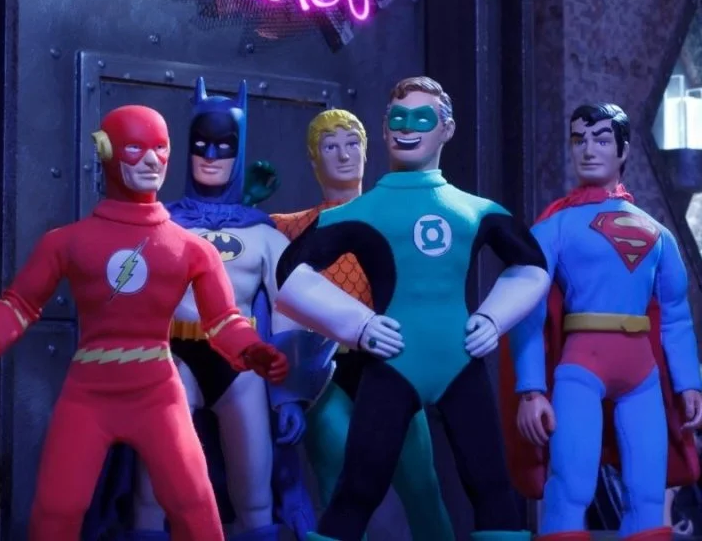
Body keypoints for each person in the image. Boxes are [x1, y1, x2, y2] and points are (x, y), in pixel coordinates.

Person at [0, 105, 289, 541]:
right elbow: (20, 303)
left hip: (158, 392)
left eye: (160, 148)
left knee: (194, 505)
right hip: (88, 395)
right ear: (106, 151)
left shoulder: (192, 249)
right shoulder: (67, 242)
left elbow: (222, 320)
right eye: (135, 148)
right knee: (57, 509)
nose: (151, 161)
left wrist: (250, 349)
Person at [275, 76, 549, 541]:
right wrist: (358, 323)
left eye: (422, 118)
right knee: (357, 489)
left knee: (491, 486)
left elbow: (532, 264)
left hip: (460, 362)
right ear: (384, 130)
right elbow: (290, 273)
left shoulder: (476, 209)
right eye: (398, 119)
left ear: (447, 128)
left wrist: (493, 317)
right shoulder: (360, 212)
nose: (408, 128)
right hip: (391, 364)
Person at [501, 102, 702, 541]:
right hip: (580, 366)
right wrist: (531, 389)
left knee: (648, 491)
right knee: (571, 485)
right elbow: (528, 310)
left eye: (602, 139)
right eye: (579, 139)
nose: (588, 149)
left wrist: (689, 383)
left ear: (624, 149)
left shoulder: (658, 234)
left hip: (642, 372)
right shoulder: (553, 228)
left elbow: (675, 315)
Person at [132, 79, 314, 541]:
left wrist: (289, 395)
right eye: (201, 144)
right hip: (171, 358)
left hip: (241, 364)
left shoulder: (263, 234)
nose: (211, 156)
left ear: (240, 150)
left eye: (224, 146)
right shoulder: (158, 222)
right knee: (150, 493)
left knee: (255, 495)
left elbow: (290, 310)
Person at [270, 108, 453, 541]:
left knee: (421, 485)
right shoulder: (287, 227)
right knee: (337, 486)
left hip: (390, 363)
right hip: (324, 367)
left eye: (352, 143)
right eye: (330, 146)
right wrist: (241, 205)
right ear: (313, 158)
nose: (343, 154)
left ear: (367, 151)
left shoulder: (396, 216)